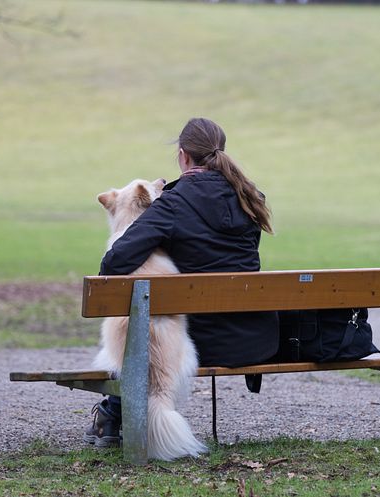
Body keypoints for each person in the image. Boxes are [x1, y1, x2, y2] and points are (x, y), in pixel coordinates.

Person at [85, 117, 279, 447]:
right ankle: (116, 411)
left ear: (183, 155)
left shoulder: (173, 204)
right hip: (251, 336)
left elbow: (114, 263)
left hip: (197, 340)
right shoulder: (250, 197)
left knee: (148, 325)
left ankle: (113, 413)